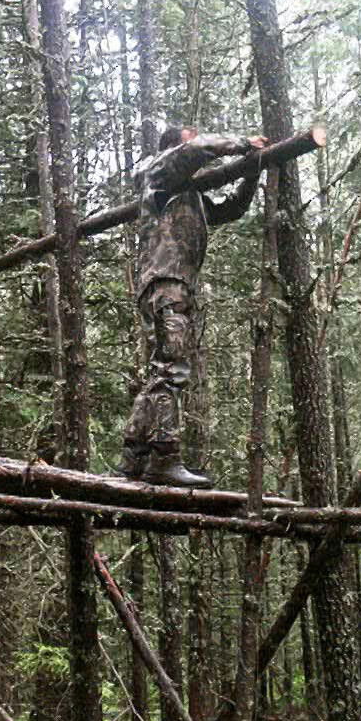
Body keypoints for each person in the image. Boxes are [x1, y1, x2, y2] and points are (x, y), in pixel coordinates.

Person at [117, 126, 268, 487]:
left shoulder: (186, 194)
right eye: (189, 139)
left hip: (170, 283)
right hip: (166, 282)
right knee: (172, 370)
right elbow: (199, 148)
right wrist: (245, 144)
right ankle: (165, 457)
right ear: (174, 149)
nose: (196, 143)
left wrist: (252, 170)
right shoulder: (161, 174)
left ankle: (133, 457)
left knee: (161, 370)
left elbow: (230, 210)